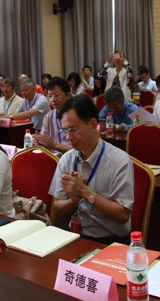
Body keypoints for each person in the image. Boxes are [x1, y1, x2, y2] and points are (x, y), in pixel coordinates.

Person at [49, 95, 134, 244]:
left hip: (109, 240)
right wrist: (73, 201)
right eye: (65, 131)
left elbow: (123, 215)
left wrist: (85, 192)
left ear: (93, 124)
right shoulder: (66, 159)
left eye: (73, 130)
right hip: (74, 235)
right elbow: (57, 207)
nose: (68, 137)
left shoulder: (119, 161)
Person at [34, 77, 73, 154]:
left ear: (68, 95)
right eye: (50, 96)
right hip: (53, 158)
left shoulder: (78, 115)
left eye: (56, 95)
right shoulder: (48, 117)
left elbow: (80, 149)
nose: (52, 100)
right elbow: (46, 146)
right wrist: (40, 142)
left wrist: (55, 146)